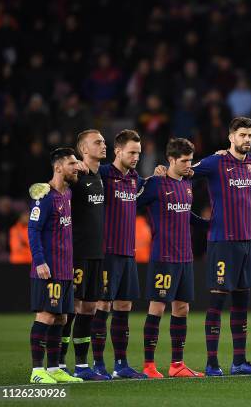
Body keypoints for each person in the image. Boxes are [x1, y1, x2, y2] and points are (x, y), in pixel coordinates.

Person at [192, 117, 251, 376]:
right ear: (231, 137)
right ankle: (212, 363)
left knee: (241, 303)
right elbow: (184, 172)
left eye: (250, 135)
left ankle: (239, 362)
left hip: (245, 242)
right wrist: (161, 171)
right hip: (222, 241)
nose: (247, 139)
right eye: (242, 135)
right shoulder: (215, 162)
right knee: (216, 303)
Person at [138, 138, 207, 378]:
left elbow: (187, 215)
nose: (189, 165)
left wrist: (210, 224)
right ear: (170, 160)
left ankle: (177, 364)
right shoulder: (156, 184)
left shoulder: (187, 183)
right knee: (157, 308)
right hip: (163, 257)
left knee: (182, 308)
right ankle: (148, 365)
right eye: (185, 161)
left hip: (184, 257)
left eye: (190, 160)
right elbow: (132, 200)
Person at [91, 130, 148, 379]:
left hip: (128, 252)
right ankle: (97, 364)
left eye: (138, 152)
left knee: (124, 305)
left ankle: (121, 364)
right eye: (131, 152)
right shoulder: (102, 174)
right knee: (102, 304)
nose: (136, 156)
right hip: (107, 253)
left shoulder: (135, 178)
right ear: (118, 151)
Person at [27, 148, 83, 384]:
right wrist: (39, 261)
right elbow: (33, 229)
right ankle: (37, 371)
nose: (76, 167)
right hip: (48, 268)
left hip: (64, 267)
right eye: (72, 164)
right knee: (46, 315)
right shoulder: (45, 196)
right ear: (58, 167)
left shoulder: (67, 193)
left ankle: (54, 368)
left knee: (61, 318)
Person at [58, 129, 108, 380]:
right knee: (72, 307)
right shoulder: (75, 177)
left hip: (97, 253)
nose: (103, 145)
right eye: (97, 142)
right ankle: (58, 364)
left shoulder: (102, 175)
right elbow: (55, 183)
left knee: (90, 307)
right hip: (77, 253)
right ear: (83, 150)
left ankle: (81, 366)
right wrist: (73, 167)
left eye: (103, 141)